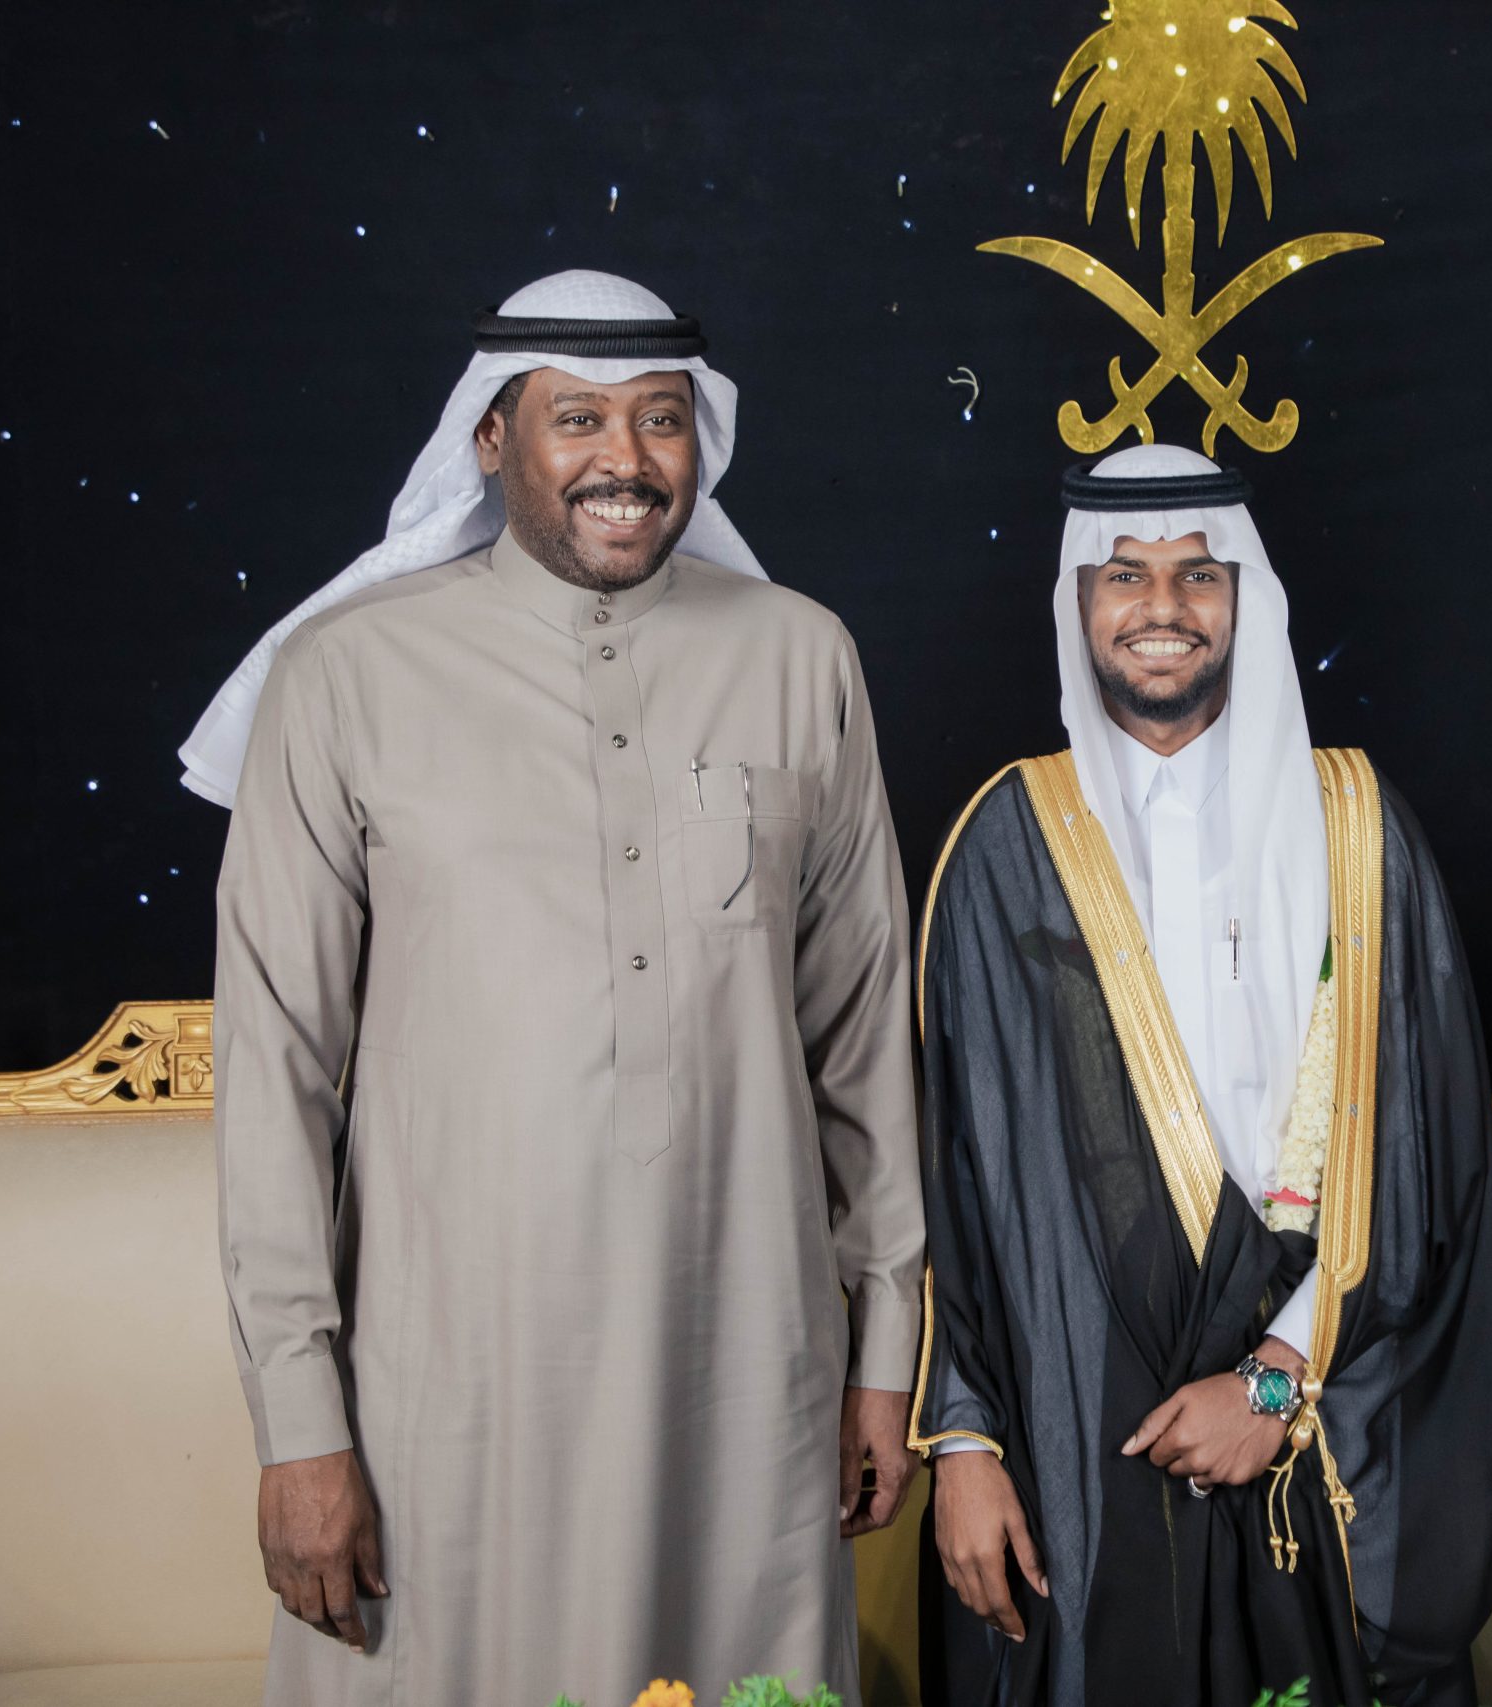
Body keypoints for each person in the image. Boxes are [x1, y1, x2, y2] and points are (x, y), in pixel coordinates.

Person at [201, 270, 924, 1706]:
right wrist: (298, 1422)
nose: (626, 459)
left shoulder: (801, 656)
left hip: (746, 1368)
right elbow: (272, 1074)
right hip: (451, 1394)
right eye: (578, 417)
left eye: (661, 418)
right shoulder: (346, 674)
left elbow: (863, 1039)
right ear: (490, 438)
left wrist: (887, 1346)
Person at [910, 444, 1492, 1707]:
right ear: (1076, 601)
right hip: (1074, 1423)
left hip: (1312, 1415)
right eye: (1125, 575)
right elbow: (956, 1186)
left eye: (1198, 574)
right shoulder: (1004, 844)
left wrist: (1273, 1380)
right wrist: (964, 1445)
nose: (1162, 607)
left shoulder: (1357, 829)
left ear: (1245, 596)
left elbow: (1425, 1164)